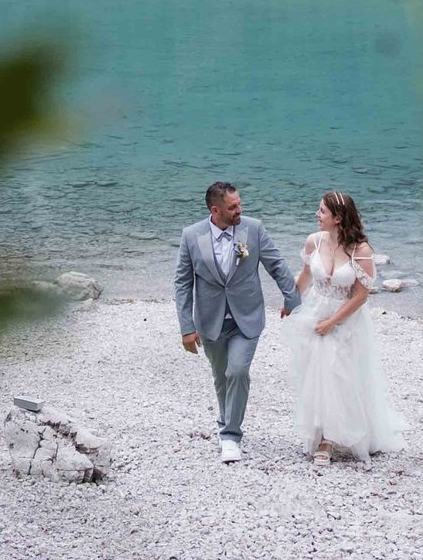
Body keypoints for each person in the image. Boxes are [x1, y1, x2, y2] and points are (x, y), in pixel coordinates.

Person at [173, 179, 301, 463]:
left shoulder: (253, 229)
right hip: (210, 321)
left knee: (237, 372)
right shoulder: (191, 236)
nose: (239, 210)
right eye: (233, 207)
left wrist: (292, 299)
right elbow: (182, 284)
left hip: (247, 318)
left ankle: (231, 435)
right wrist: (186, 327)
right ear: (215, 210)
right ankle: (225, 425)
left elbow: (276, 264)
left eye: (240, 204)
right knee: (221, 377)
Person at [280, 190, 407, 462]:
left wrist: (332, 322)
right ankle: (321, 432)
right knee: (316, 374)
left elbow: (361, 295)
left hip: (345, 319)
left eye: (322, 211)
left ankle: (330, 440)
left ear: (338, 218)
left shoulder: (361, 251)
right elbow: (304, 278)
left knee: (339, 375)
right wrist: (289, 302)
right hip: (315, 311)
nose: (317, 215)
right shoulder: (313, 242)